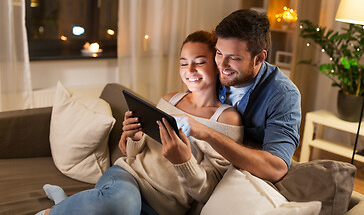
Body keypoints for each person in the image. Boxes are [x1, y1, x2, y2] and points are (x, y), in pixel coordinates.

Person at [36, 30, 243, 215]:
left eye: (199, 62)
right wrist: (135, 137)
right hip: (127, 180)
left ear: (217, 65)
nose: (189, 70)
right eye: (183, 62)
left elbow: (207, 193)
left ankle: (64, 203)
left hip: (164, 206)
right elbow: (133, 154)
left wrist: (184, 162)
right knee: (122, 205)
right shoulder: (170, 100)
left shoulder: (226, 120)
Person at [183, 9, 303, 214]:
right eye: (219, 52)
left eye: (235, 58)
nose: (222, 64)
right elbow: (189, 110)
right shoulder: (213, 69)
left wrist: (209, 133)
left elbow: (277, 167)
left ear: (259, 58)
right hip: (194, 172)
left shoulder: (283, 95)